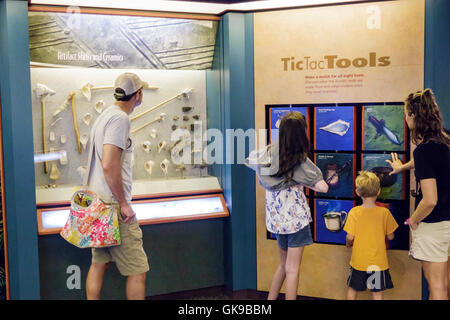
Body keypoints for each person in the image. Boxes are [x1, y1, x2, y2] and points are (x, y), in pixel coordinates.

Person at [246, 111, 328, 300]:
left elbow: (251, 160)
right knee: (293, 270)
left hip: (276, 222)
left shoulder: (267, 153)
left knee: (283, 266)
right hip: (296, 223)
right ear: (302, 134)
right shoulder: (300, 160)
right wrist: (301, 181)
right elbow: (322, 187)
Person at [85, 73, 149, 300]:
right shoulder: (120, 119)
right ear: (138, 94)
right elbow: (109, 165)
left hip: (96, 205)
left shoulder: (104, 116)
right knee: (138, 270)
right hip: (112, 207)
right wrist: (124, 204)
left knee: (99, 263)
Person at [386, 88, 450, 300]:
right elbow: (432, 162)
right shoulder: (445, 139)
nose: (405, 118)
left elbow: (430, 200)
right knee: (445, 285)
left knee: (437, 289)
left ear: (414, 116)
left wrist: (413, 220)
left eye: (406, 113)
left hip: (435, 225)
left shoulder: (423, 150)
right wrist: (403, 167)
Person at [344, 171, 398, 300]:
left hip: (359, 262)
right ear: (378, 191)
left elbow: (350, 237)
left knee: (353, 290)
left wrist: (348, 244)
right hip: (378, 263)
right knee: (377, 293)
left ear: (358, 192)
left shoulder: (354, 212)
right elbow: (391, 237)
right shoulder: (384, 213)